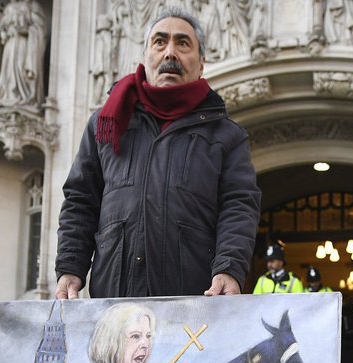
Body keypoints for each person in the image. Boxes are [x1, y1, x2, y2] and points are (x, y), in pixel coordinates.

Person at [56, 7, 261, 300]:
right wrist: (70, 268)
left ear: (201, 63)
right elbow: (80, 201)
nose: (170, 53)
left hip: (194, 304)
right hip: (116, 300)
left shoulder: (227, 135)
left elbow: (239, 206)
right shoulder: (105, 123)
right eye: (160, 42)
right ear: (145, 57)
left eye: (183, 43)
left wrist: (229, 268)